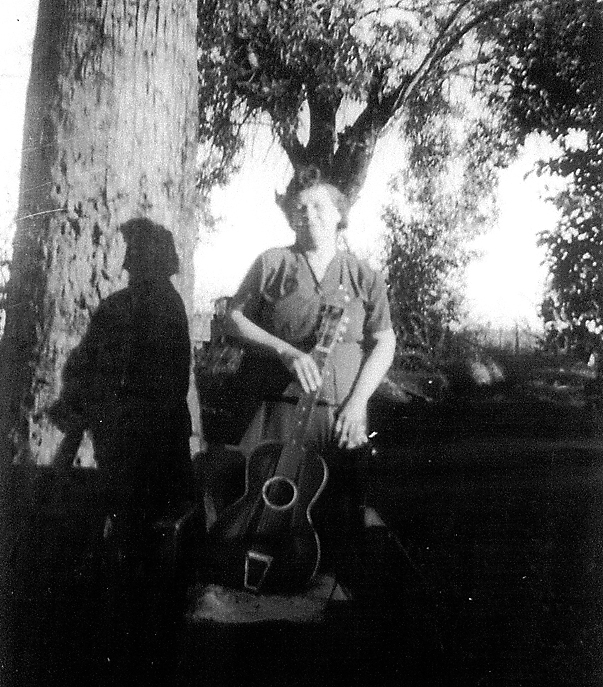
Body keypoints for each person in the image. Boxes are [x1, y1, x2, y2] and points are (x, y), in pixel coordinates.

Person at [223, 171, 396, 590]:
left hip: (339, 417)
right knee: (260, 509)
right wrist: (284, 350)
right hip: (274, 414)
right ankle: (253, 594)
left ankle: (330, 625)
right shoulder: (273, 264)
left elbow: (384, 340)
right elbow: (234, 317)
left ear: (340, 215)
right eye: (300, 207)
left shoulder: (363, 277)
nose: (308, 214)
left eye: (319, 206)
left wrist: (357, 405)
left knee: (337, 524)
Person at [50, 218, 195, 536]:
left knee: (148, 527)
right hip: (126, 436)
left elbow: (164, 384)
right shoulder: (130, 305)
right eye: (131, 251)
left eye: (137, 252)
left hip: (147, 441)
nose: (129, 260)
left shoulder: (158, 307)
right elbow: (86, 364)